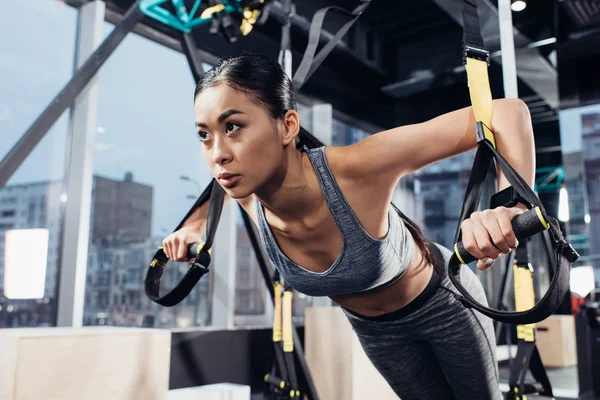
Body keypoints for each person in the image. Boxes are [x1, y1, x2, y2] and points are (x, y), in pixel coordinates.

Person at [162, 54, 535, 400]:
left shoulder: (357, 168)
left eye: (233, 126)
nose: (218, 154)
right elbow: (218, 186)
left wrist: (509, 205)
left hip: (442, 302)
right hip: (377, 332)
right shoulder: (243, 188)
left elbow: (505, 114)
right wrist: (194, 228)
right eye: (204, 135)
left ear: (288, 125)